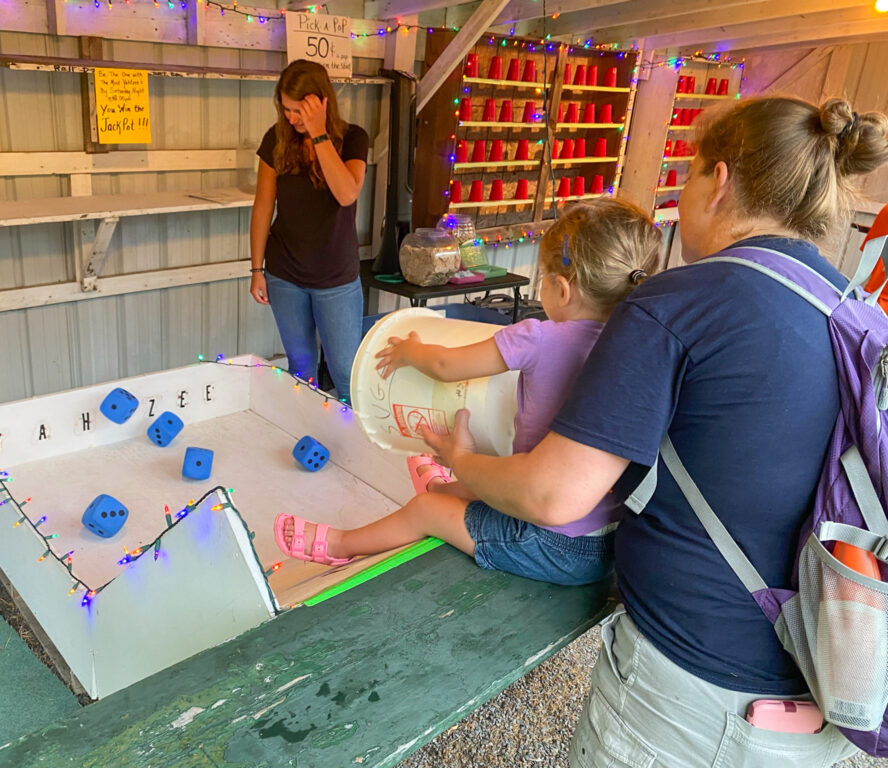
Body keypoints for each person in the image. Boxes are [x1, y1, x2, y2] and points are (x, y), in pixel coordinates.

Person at [416, 97, 888, 767]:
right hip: (829, 684)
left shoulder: (678, 303)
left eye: (687, 177)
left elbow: (555, 496)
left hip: (692, 700)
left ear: (717, 180)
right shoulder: (849, 307)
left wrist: (463, 464)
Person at [272, 198, 662, 584]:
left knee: (425, 510)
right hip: (605, 541)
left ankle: (340, 544)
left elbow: (447, 367)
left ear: (561, 289)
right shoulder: (633, 347)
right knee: (497, 473)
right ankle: (446, 486)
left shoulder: (538, 337)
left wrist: (412, 351)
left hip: (548, 542)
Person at [250, 59, 369, 404]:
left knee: (346, 372)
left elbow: (347, 193)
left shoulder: (352, 138)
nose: (291, 118)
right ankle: (309, 439)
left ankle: (350, 447)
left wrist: (318, 135)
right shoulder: (276, 139)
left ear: (320, 103)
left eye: (298, 110)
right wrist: (257, 270)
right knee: (301, 367)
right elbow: (262, 207)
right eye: (285, 109)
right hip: (285, 274)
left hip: (336, 279)